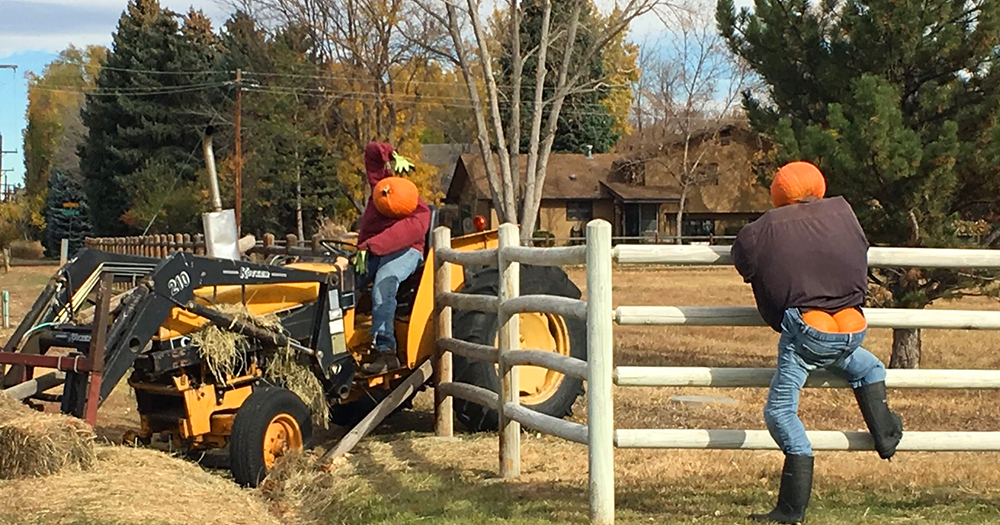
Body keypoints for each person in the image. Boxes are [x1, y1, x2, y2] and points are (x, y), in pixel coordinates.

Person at [731, 161, 903, 524]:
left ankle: (791, 507)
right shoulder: (844, 212)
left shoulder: (760, 229)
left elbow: (744, 261)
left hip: (807, 333)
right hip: (853, 329)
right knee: (868, 366)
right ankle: (886, 434)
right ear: (819, 187)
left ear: (778, 193)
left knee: (780, 412)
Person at [356, 141, 431, 374]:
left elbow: (402, 234)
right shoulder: (381, 188)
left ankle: (385, 350)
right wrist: (391, 154)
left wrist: (371, 246)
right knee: (343, 281)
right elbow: (371, 153)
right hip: (370, 250)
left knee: (384, 282)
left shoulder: (417, 208)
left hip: (406, 251)